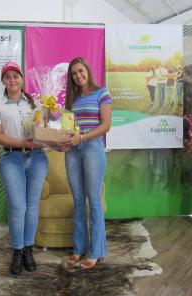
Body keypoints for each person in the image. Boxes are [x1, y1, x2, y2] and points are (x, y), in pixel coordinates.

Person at [0, 61, 49, 275]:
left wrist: (51, 132)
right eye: (8, 77)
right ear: (3, 81)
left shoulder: (34, 103)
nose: (12, 80)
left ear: (22, 79)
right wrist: (22, 143)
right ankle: (17, 251)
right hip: (11, 159)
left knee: (32, 206)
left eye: (16, 76)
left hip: (38, 159)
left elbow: (44, 130)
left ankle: (28, 250)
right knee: (17, 207)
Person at [61, 57, 112, 269]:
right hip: (72, 151)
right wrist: (62, 142)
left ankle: (95, 251)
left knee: (94, 200)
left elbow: (106, 125)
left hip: (92, 148)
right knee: (78, 200)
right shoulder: (71, 100)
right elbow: (68, 127)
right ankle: (78, 248)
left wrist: (82, 138)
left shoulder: (102, 93)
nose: (78, 76)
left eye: (81, 71)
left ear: (87, 71)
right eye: (74, 73)